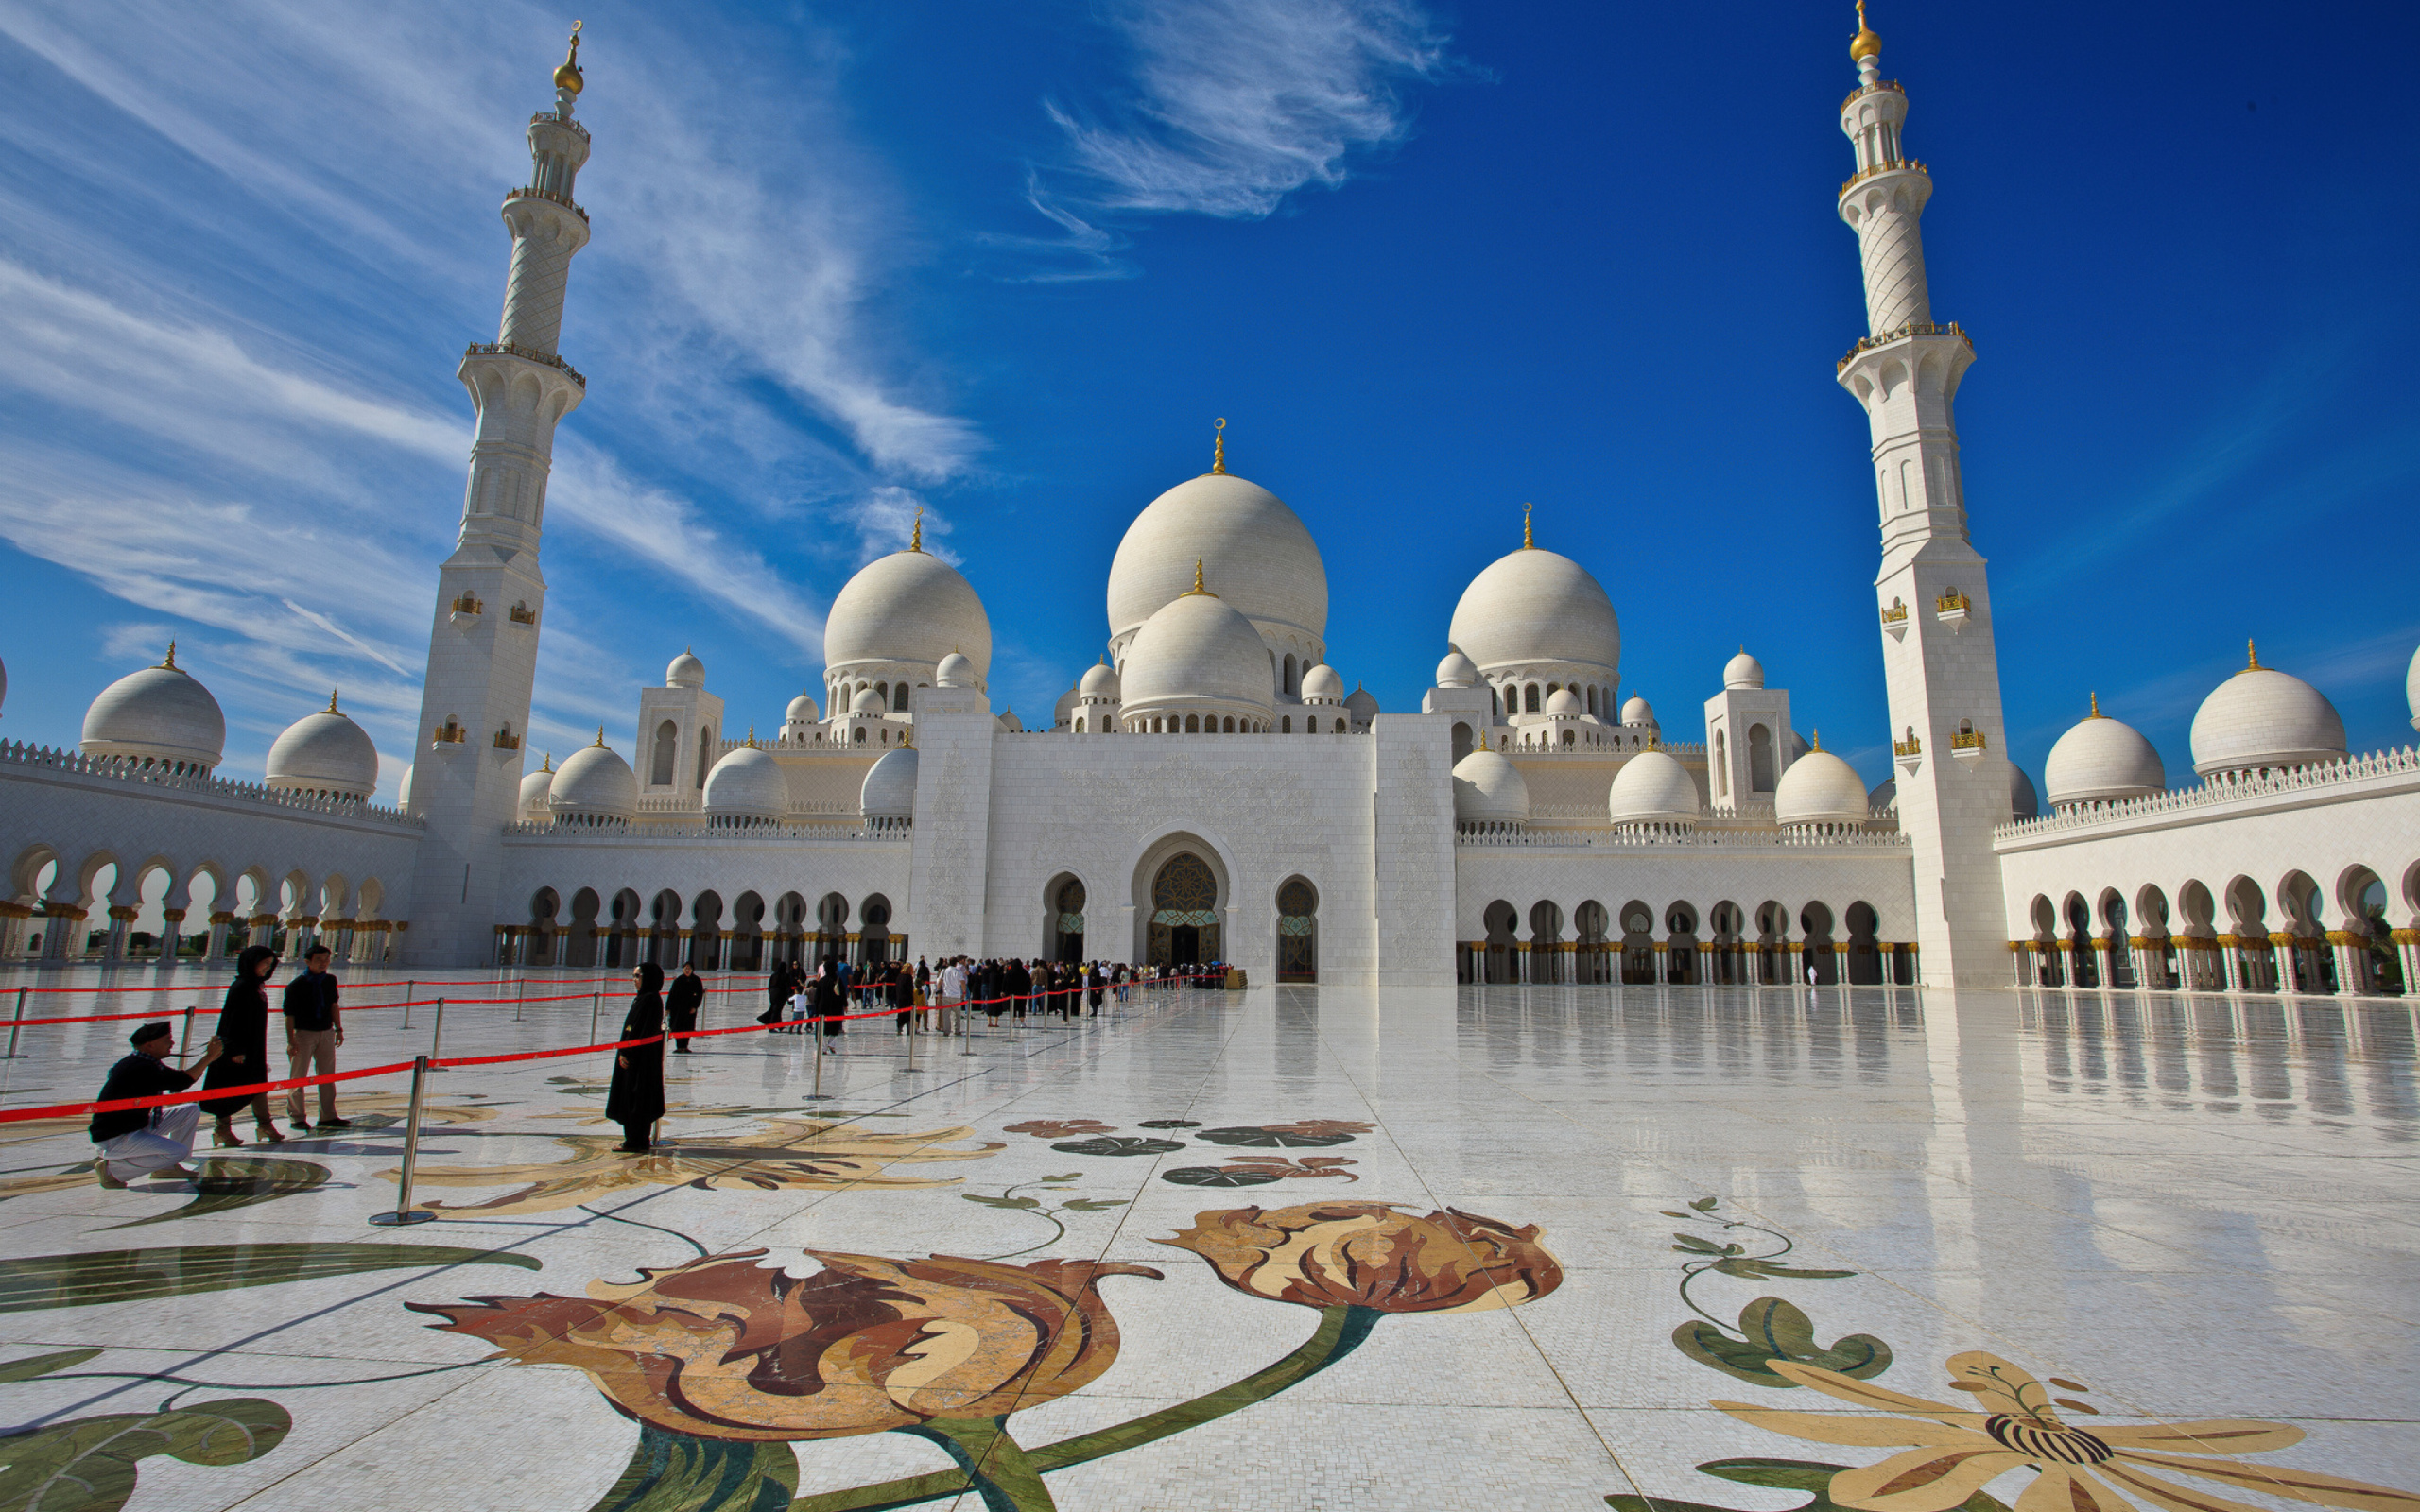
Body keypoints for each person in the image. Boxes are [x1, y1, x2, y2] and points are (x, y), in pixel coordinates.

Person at [90, 1021, 223, 1187]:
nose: (172, 1043)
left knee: (190, 1110)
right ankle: (113, 1171)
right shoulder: (141, 1067)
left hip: (134, 1126)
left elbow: (179, 1080)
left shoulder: (145, 1062)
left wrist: (209, 1057)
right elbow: (181, 1082)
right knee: (178, 1151)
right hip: (115, 1137)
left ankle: (167, 1166)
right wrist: (209, 1057)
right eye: (167, 1039)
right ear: (150, 1045)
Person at [200, 945, 285, 1147]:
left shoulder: (255, 985)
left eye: (270, 965)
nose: (267, 968)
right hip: (237, 1049)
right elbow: (231, 1021)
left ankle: (265, 1125)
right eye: (264, 964)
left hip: (253, 1047)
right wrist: (235, 1050)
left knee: (258, 1085)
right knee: (229, 1087)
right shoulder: (242, 987)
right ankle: (222, 1129)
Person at [281, 942, 348, 1130]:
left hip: (325, 1032)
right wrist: (291, 1040)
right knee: (298, 1076)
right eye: (318, 960)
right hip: (304, 1034)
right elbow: (290, 1015)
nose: (323, 963)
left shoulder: (330, 981)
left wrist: (338, 1028)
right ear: (308, 961)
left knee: (327, 1075)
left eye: (326, 959)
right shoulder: (296, 986)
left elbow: (334, 1005)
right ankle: (297, 1116)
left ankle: (328, 1115)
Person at [606, 962, 666, 1153]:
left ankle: (637, 1140)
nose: (635, 980)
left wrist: (628, 1052)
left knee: (638, 1099)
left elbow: (642, 1031)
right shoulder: (643, 999)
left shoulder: (650, 1000)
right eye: (634, 976)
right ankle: (632, 1138)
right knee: (630, 1098)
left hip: (640, 1061)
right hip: (635, 1058)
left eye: (638, 976)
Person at [666, 962, 705, 1055]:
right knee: (678, 1027)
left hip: (689, 1009)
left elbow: (699, 995)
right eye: (685, 968)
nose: (687, 970)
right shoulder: (678, 980)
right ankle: (679, 1046)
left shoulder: (696, 980)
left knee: (687, 1027)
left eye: (689, 968)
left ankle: (685, 1046)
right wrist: (668, 1008)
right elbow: (672, 994)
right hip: (678, 1009)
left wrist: (695, 1006)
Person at [815, 956, 845, 1054]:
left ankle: (823, 1048)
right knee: (834, 1027)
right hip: (836, 1007)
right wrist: (845, 1004)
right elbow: (843, 993)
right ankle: (832, 1045)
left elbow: (817, 995)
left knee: (824, 1028)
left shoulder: (822, 981)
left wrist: (816, 1007)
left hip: (823, 1007)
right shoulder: (838, 980)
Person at [759, 961, 791, 1026]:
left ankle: (779, 1026)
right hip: (781, 995)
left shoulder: (774, 975)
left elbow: (770, 985)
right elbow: (787, 986)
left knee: (774, 1009)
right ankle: (770, 1025)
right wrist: (789, 995)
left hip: (773, 994)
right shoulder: (785, 976)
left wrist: (770, 992)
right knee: (776, 1010)